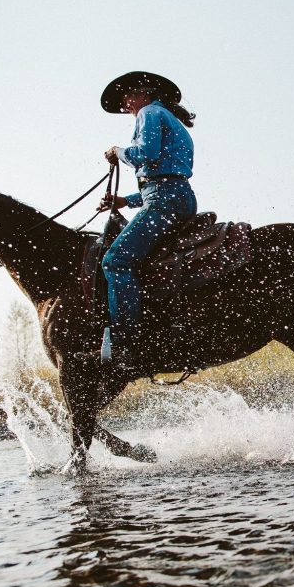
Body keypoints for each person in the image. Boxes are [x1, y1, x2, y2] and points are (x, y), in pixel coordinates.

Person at [98, 71, 198, 367]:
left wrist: (119, 151)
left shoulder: (149, 113)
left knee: (115, 261)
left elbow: (146, 153)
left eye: (127, 97)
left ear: (142, 94)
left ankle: (126, 342)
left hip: (165, 201)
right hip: (177, 197)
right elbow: (162, 178)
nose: (126, 104)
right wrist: (125, 201)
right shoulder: (168, 118)